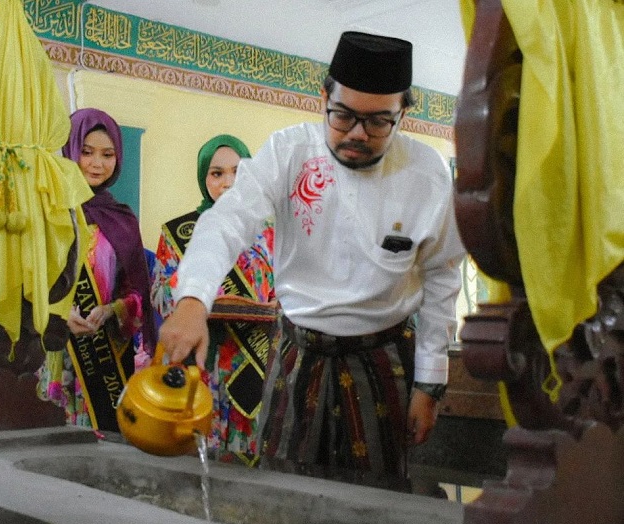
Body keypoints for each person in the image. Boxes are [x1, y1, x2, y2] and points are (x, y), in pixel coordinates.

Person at [158, 31, 465, 491]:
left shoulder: (428, 174)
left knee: (380, 504)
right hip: (298, 356)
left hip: (383, 362)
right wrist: (192, 300)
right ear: (323, 96)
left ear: (404, 111)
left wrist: (429, 384)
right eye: (343, 116)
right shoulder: (289, 153)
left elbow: (442, 277)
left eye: (379, 121)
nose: (357, 134)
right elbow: (227, 223)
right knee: (283, 497)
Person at [152, 134, 275, 466]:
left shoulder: (269, 233)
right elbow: (161, 294)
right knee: (192, 457)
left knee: (246, 461)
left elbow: (284, 295)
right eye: (216, 173)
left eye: (237, 172)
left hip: (252, 360)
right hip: (197, 358)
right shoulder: (178, 232)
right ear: (203, 178)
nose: (228, 182)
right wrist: (192, 298)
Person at [37, 108, 157, 432]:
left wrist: (112, 309)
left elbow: (137, 293)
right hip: (59, 353)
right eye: (86, 152)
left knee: (109, 451)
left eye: (107, 154)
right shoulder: (49, 209)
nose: (96, 164)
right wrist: (58, 315)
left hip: (109, 357)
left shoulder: (123, 219)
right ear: (70, 150)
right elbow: (30, 282)